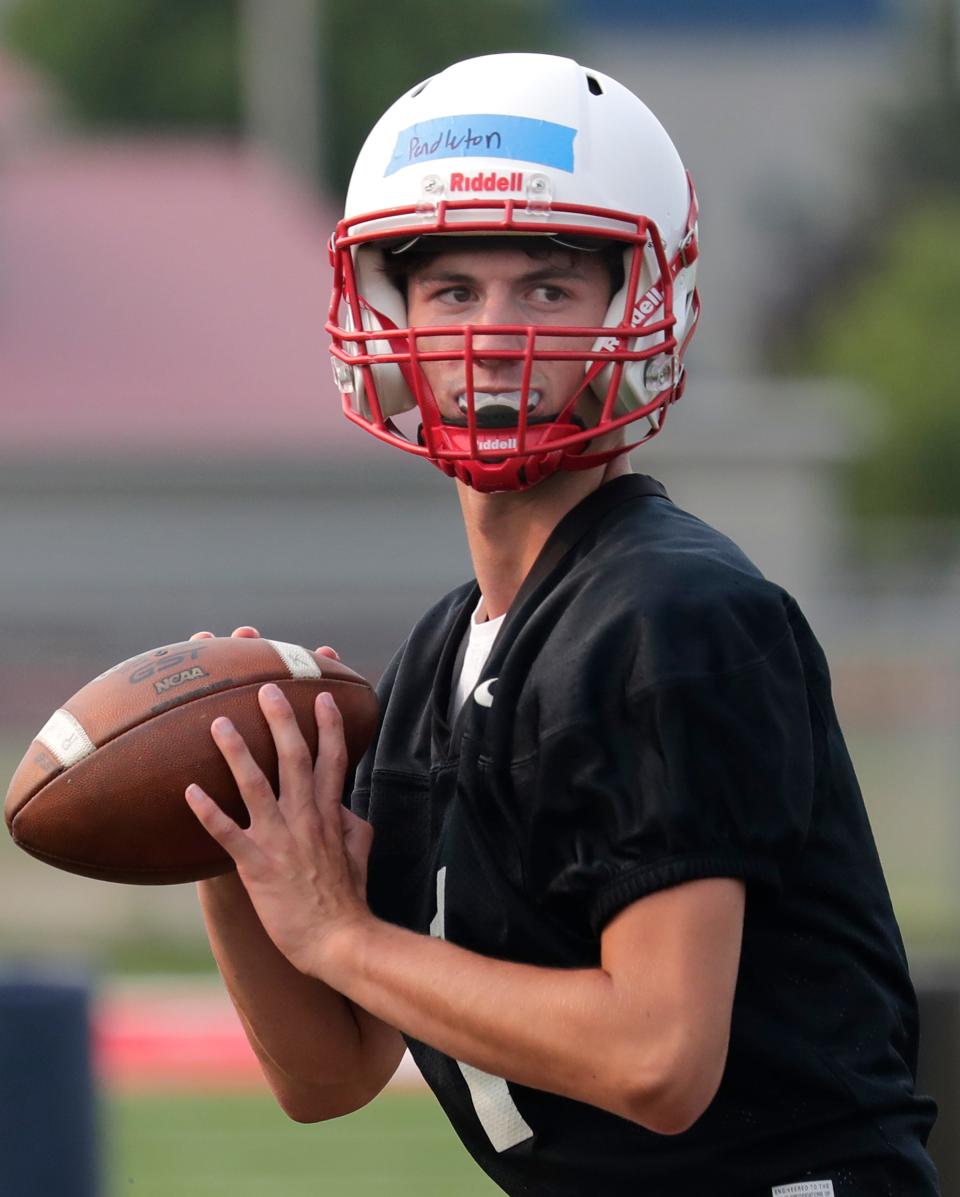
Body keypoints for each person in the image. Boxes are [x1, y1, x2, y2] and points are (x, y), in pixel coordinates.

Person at [184, 53, 940, 1196]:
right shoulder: (446, 654)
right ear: (391, 318)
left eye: (546, 288)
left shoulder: (671, 614)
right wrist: (225, 838)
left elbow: (658, 1058)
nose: (493, 333)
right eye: (452, 291)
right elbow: (329, 1073)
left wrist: (344, 934)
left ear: (640, 305)